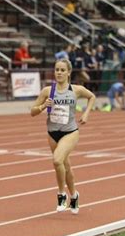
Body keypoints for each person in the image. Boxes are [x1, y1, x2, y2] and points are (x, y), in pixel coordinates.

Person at [31, 58, 95, 215]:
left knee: (57, 160)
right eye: (56, 70)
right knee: (65, 166)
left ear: (68, 72)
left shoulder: (76, 90)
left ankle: (61, 194)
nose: (58, 73)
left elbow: (92, 96)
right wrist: (42, 106)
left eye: (62, 70)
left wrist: (86, 114)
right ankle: (74, 195)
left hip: (70, 131)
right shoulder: (48, 91)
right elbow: (32, 112)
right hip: (52, 133)